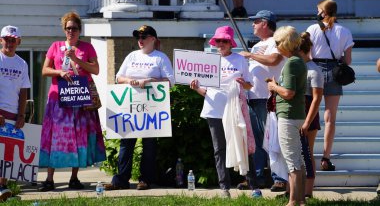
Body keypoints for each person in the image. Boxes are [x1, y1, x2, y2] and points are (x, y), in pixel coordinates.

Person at [190, 26, 261, 198]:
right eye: (218, 40)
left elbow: (250, 85)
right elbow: (204, 90)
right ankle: (224, 188)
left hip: (236, 109)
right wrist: (196, 88)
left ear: (230, 43)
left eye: (224, 40)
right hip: (213, 109)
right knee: (219, 149)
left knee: (243, 146)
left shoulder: (240, 59)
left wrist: (243, 83)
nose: (220, 43)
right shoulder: (208, 60)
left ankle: (253, 186)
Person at [39, 12, 106, 191]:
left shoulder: (87, 47)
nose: (71, 31)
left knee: (79, 137)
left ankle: (74, 178)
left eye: (74, 28)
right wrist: (59, 72)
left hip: (80, 98)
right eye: (68, 28)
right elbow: (45, 70)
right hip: (58, 99)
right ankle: (49, 178)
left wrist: (76, 59)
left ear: (79, 30)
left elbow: (96, 69)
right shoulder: (55, 46)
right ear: (64, 29)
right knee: (55, 137)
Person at [104, 25, 174, 191]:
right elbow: (118, 77)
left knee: (149, 145)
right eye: (138, 37)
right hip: (130, 107)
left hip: (151, 108)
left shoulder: (160, 58)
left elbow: (170, 81)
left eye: (144, 37)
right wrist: (129, 81)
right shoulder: (131, 56)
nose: (140, 40)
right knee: (126, 143)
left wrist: (150, 81)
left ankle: (145, 180)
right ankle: (120, 179)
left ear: (153, 39)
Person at [239, 10, 287, 191]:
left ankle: (279, 177)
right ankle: (258, 176)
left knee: (273, 139)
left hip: (269, 98)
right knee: (257, 141)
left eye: (256, 21)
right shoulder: (256, 45)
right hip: (253, 96)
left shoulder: (276, 41)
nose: (253, 24)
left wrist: (251, 56)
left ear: (265, 23)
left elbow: (274, 60)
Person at [306, 0, 354, 171]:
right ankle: (326, 158)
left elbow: (307, 54)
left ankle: (307, 154)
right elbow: (347, 60)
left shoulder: (312, 29)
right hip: (335, 71)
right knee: (330, 118)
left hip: (314, 70)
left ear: (323, 12)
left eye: (318, 9)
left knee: (310, 113)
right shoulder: (344, 31)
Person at [267, 26, 307, 206]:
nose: (276, 46)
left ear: (285, 43)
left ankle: (293, 201)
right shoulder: (299, 60)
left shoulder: (292, 63)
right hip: (296, 114)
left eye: (277, 43)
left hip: (288, 115)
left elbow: (289, 92)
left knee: (292, 161)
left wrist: (274, 87)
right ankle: (300, 200)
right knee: (298, 160)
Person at [0, 25, 31, 202]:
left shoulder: (22, 63)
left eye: (13, 40)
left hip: (12, 115)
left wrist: (21, 115)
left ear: (18, 41)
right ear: (0, 40)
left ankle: (3, 188)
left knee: (7, 155)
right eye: (7, 39)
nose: (10, 43)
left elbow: (24, 92)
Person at [298, 32, 324, 198]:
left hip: (309, 114)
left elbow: (316, 99)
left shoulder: (314, 71)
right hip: (296, 113)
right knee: (294, 153)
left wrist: (307, 122)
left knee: (307, 151)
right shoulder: (296, 67)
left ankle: (308, 191)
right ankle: (292, 189)